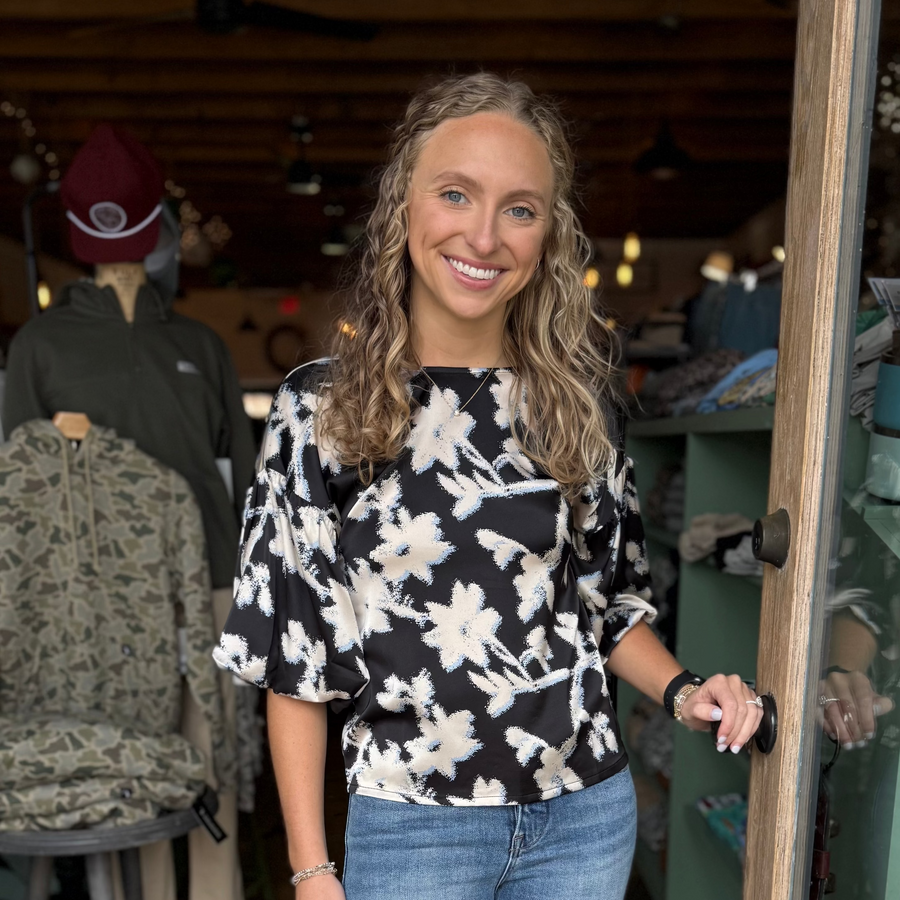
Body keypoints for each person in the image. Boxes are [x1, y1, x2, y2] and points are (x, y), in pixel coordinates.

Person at [213, 73, 763, 900]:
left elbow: (608, 609)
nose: (484, 234)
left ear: (548, 233)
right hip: (412, 828)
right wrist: (311, 867)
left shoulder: (579, 400)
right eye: (456, 194)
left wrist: (686, 692)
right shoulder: (319, 409)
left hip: (584, 817)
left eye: (520, 208)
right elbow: (295, 660)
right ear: (404, 208)